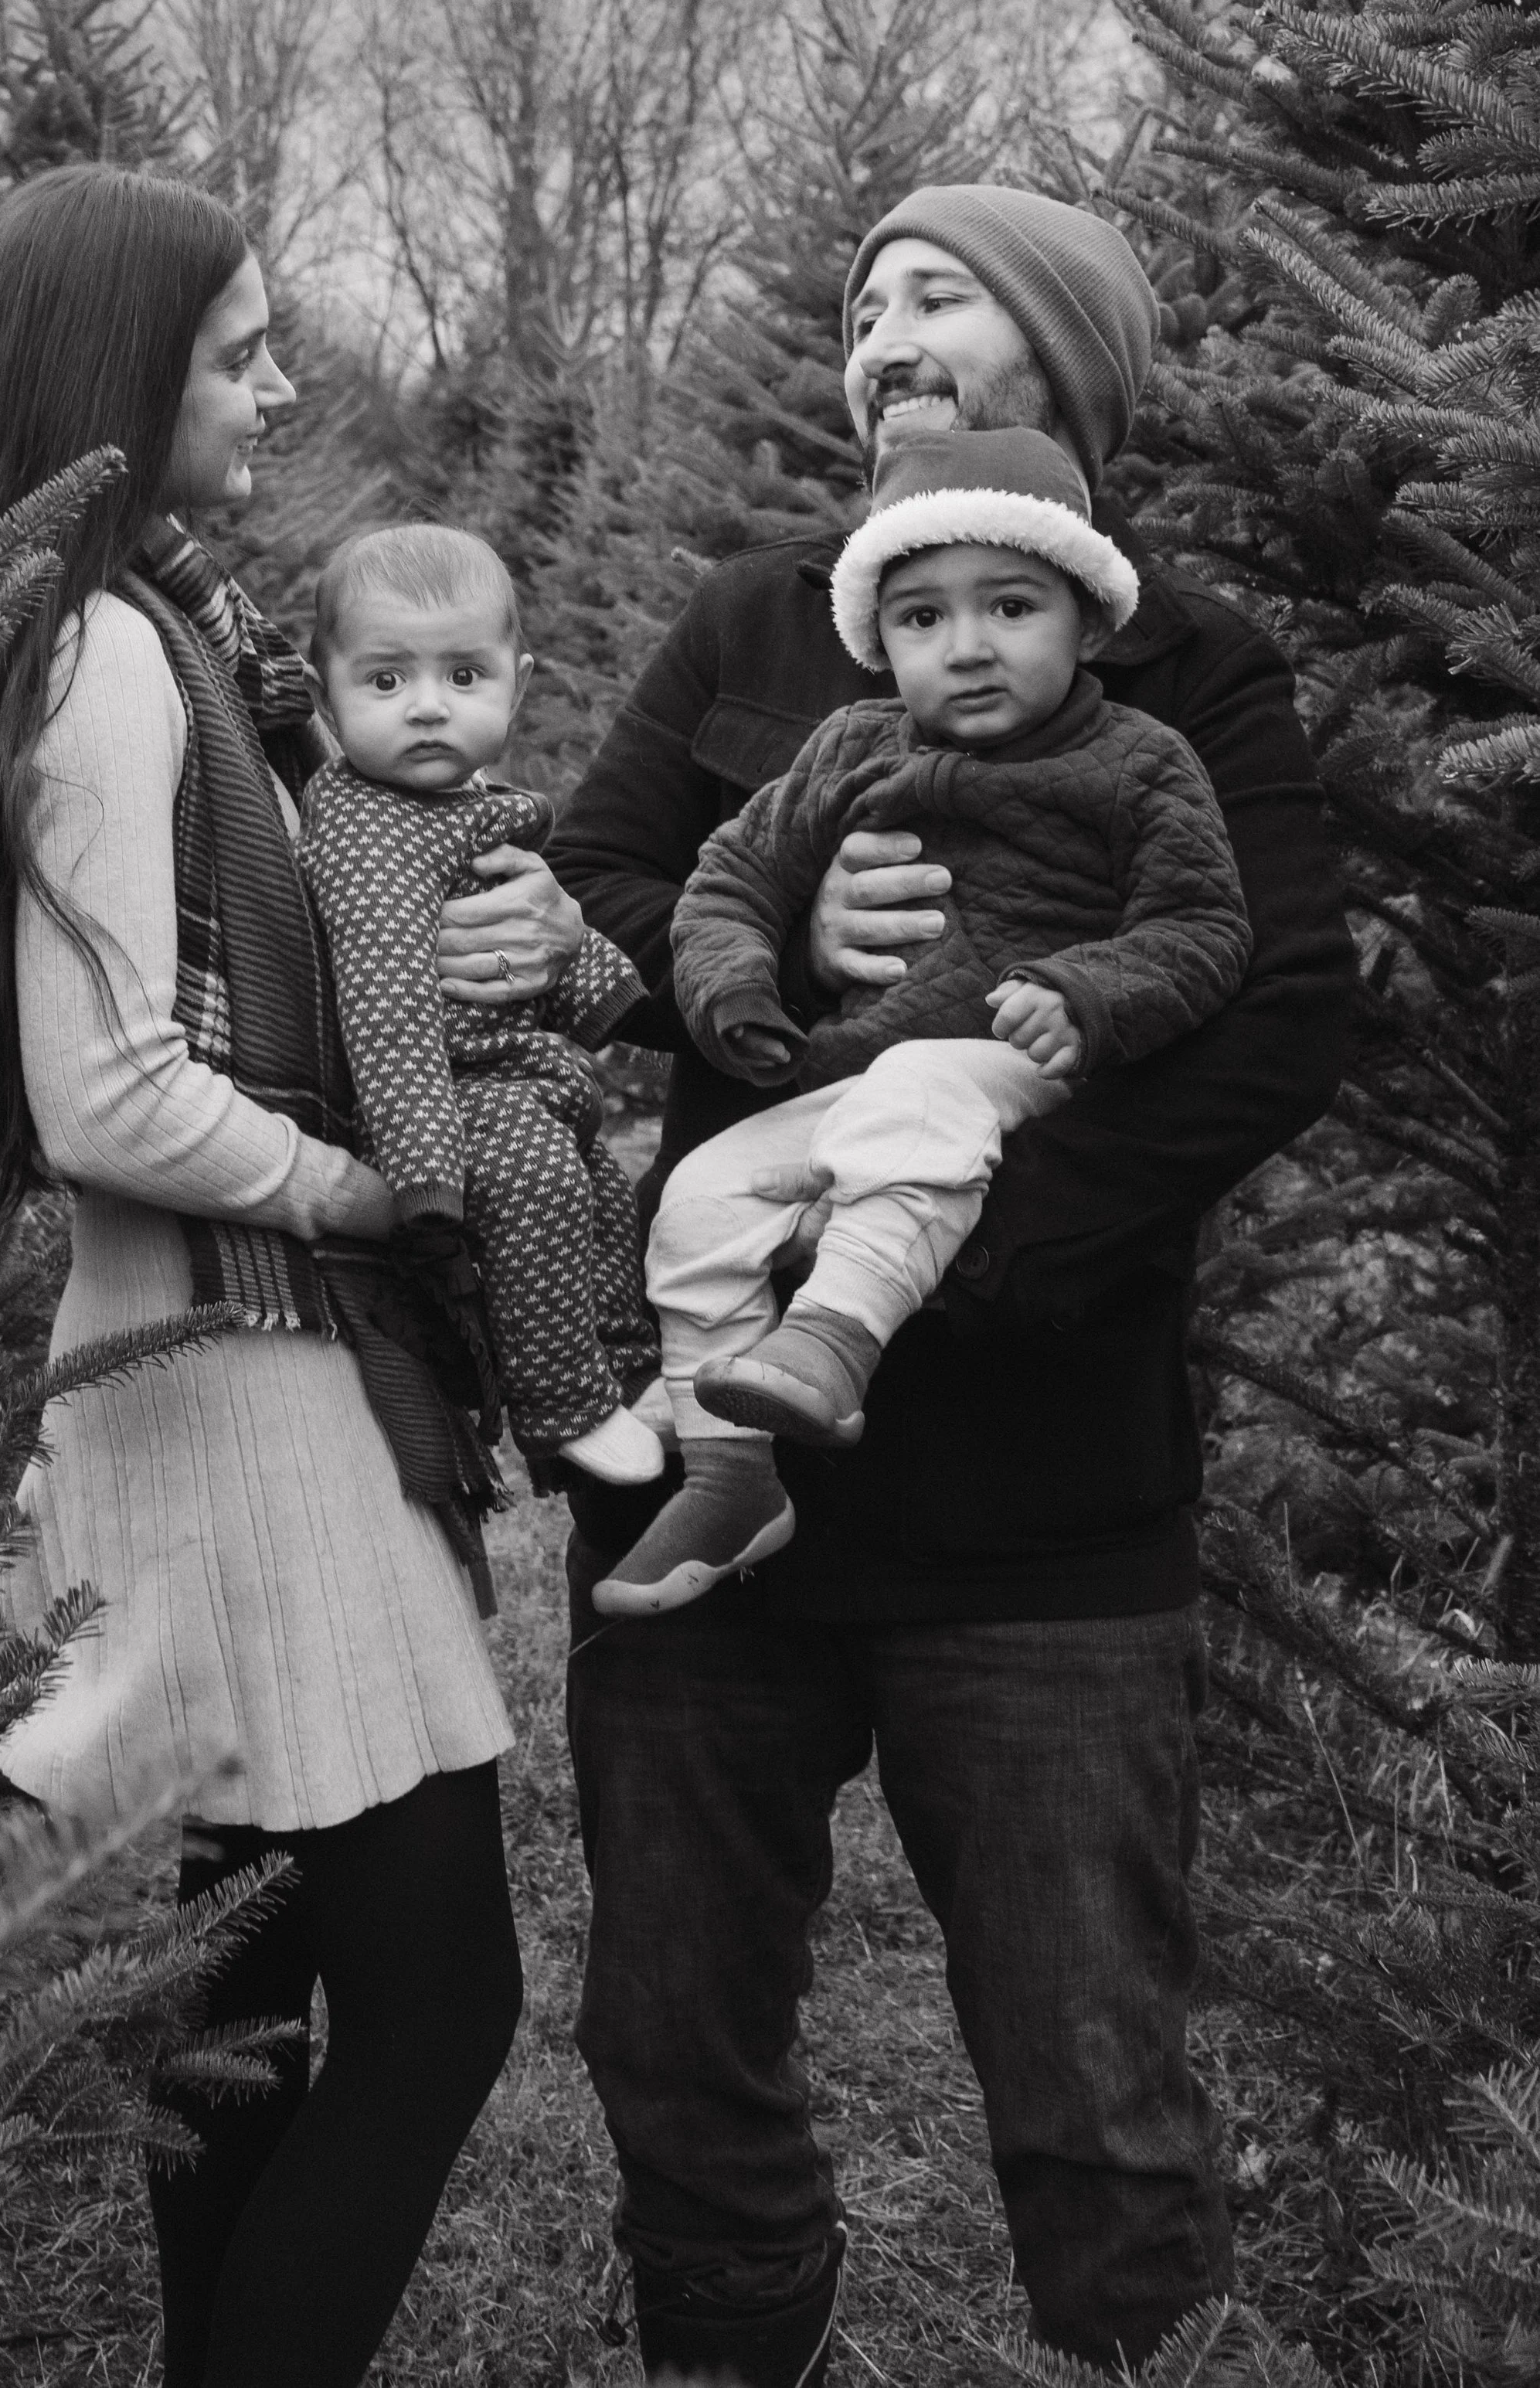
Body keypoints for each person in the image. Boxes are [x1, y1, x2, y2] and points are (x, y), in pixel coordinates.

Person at [548, 183, 1356, 2379]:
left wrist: (957, 1263)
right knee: (673, 2039)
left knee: (1092, 2081)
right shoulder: (751, 627)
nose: (880, 334)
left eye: (940, 296)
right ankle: (730, 2352)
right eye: (861, 306)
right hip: (711, 1469)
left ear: (1070, 365)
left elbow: (1276, 1003)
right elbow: (605, 884)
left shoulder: (1179, 670)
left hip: (1041, 1502)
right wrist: (777, 964)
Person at [0, 165, 579, 2388]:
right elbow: (107, 1097)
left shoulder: (149, 633)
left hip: (196, 1358)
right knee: (438, 1994)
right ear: (117, 371)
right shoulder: (103, 655)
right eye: (237, 345)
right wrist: (376, 1194)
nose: (276, 381)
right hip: (248, 1364)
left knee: (242, 1991)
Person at [595, 427, 1253, 1615]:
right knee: (700, 1191)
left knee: (925, 1094)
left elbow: (1205, 928)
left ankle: (833, 1342)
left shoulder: (1141, 763)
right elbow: (727, 881)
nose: (969, 647)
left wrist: (1092, 994)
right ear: (878, 638)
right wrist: (738, 983)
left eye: (1010, 605)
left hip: (1026, 1059)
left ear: (1089, 618)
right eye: (923, 618)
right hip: (872, 1071)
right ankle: (731, 1472)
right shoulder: (851, 746)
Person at [297, 522, 665, 1487]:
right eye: (386, 682)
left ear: (518, 680)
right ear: (323, 685)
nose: (427, 708)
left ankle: (626, 1375)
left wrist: (600, 979)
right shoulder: (371, 832)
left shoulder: (463, 801)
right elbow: (386, 1014)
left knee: (603, 1197)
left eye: (464, 678)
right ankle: (562, 1407)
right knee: (542, 1180)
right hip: (449, 1103)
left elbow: (534, 921)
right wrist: (426, 1178)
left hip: (517, 1077)